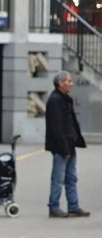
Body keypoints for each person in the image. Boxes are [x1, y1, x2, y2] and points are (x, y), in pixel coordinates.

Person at [45, 70, 90, 218]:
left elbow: (71, 123)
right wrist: (64, 149)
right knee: (58, 178)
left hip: (70, 144)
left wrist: (76, 140)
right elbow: (56, 128)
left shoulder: (65, 99)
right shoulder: (55, 100)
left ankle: (73, 206)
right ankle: (54, 207)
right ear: (61, 83)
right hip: (61, 146)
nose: (72, 83)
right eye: (69, 81)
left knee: (71, 178)